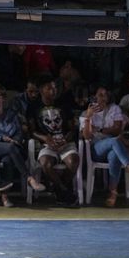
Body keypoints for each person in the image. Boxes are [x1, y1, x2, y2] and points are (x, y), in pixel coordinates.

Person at [0, 83, 45, 208]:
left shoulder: (12, 114)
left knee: (8, 158)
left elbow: (19, 132)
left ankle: (5, 197)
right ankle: (29, 178)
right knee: (10, 148)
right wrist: (2, 138)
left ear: (3, 98)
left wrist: (15, 140)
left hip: (12, 149)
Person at [80, 84, 129, 207]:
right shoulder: (85, 113)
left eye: (106, 95)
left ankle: (112, 193)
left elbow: (117, 129)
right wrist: (88, 118)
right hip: (96, 148)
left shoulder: (114, 109)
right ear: (94, 97)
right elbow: (87, 136)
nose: (103, 97)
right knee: (115, 141)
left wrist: (99, 130)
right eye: (100, 95)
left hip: (113, 146)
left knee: (115, 153)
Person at [27, 75, 81, 207]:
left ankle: (58, 188)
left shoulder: (64, 104)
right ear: (41, 90)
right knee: (46, 163)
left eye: (54, 87)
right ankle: (64, 191)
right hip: (47, 144)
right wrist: (45, 138)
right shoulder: (33, 107)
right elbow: (31, 131)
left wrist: (65, 139)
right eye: (49, 88)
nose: (53, 90)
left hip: (65, 142)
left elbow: (72, 129)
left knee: (74, 162)